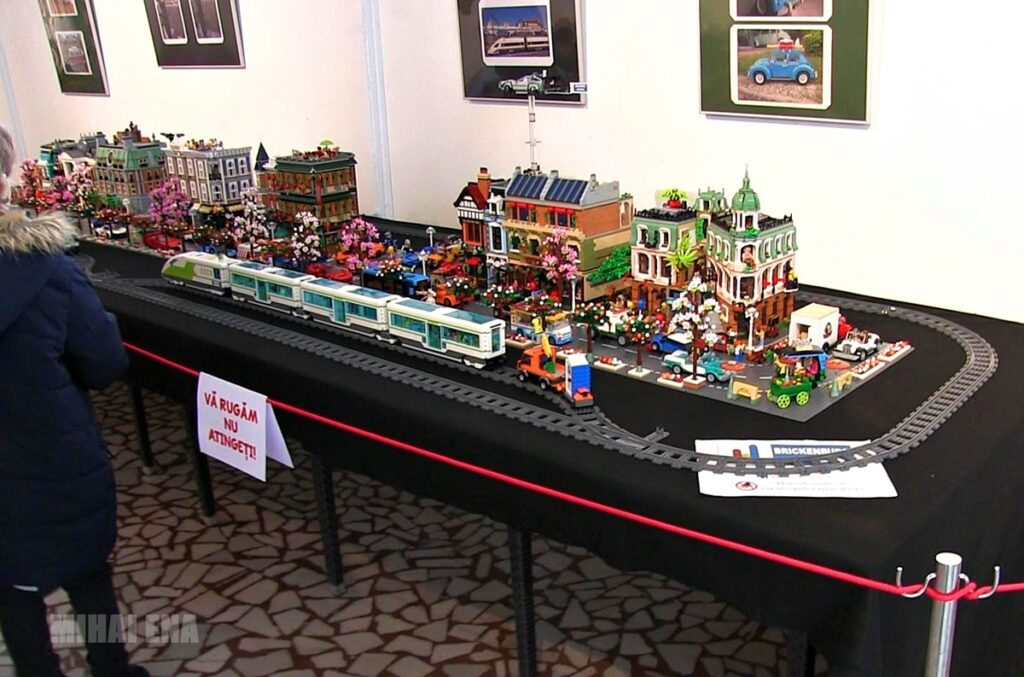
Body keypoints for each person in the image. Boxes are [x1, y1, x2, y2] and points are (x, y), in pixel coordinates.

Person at [0, 124, 147, 676]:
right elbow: (105, 362)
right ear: (4, 182)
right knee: (88, 577)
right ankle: (111, 668)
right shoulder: (50, 270)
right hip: (54, 459)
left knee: (12, 593)